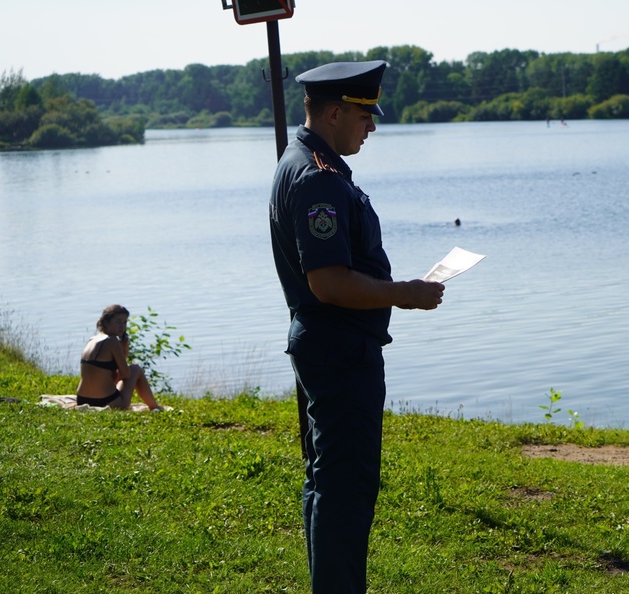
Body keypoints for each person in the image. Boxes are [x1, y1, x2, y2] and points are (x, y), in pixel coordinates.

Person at [268, 60, 445, 594]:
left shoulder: (306, 162)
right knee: (345, 485)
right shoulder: (317, 177)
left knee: (328, 481)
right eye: (365, 115)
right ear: (334, 112)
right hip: (339, 349)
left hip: (328, 345)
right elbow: (329, 282)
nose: (372, 126)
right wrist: (406, 295)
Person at [75, 304, 162, 411]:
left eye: (124, 322)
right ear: (106, 322)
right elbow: (126, 374)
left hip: (82, 400)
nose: (122, 326)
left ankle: (154, 406)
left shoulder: (92, 340)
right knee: (135, 369)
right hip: (104, 402)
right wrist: (124, 349)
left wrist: (123, 350)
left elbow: (106, 374)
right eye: (118, 322)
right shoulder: (111, 340)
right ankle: (154, 406)